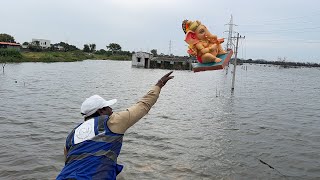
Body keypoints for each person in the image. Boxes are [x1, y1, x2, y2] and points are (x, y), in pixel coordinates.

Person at [56, 71, 174, 180]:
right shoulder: (111, 121)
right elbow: (143, 105)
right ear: (101, 111)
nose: (111, 110)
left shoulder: (72, 134)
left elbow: (68, 161)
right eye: (108, 107)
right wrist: (159, 84)